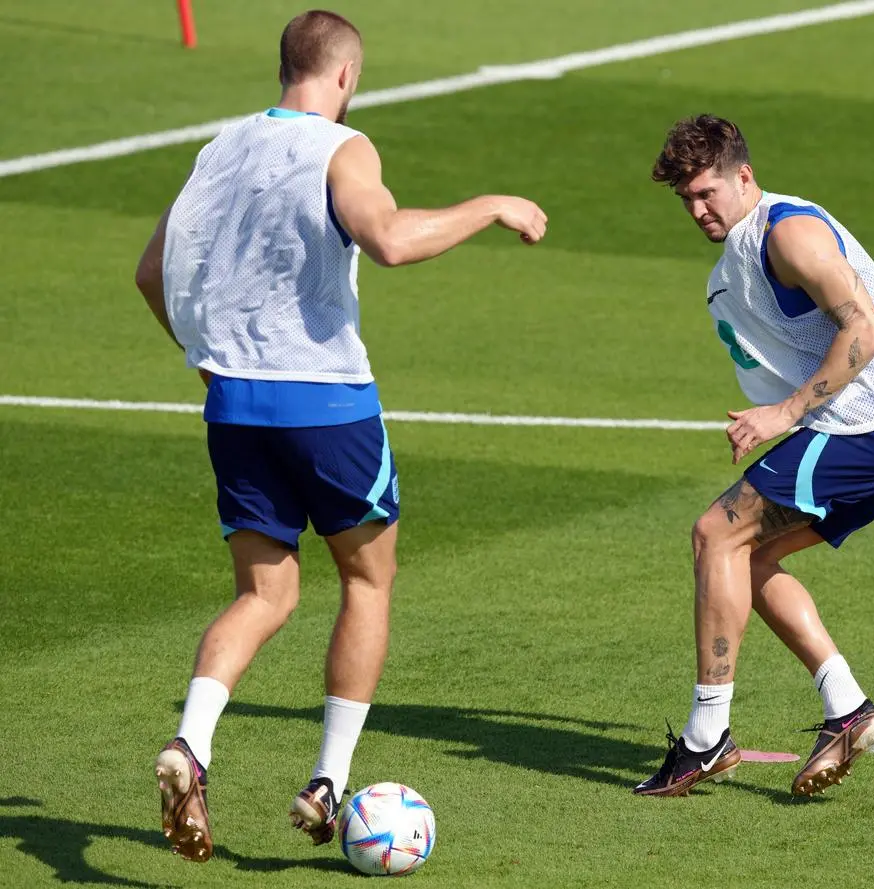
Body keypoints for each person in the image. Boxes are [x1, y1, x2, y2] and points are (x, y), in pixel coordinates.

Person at [132, 10, 547, 861]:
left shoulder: (221, 148)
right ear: (347, 76)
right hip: (326, 404)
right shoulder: (342, 149)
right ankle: (326, 781)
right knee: (368, 578)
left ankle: (192, 744)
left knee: (264, 595)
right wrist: (493, 204)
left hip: (234, 403)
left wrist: (210, 358)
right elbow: (389, 240)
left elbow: (150, 272)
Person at [634, 115, 874, 798]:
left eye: (708, 192)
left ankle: (706, 739)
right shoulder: (744, 251)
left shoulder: (789, 232)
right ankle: (848, 708)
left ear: (744, 175)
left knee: (716, 532)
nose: (697, 210)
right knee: (746, 556)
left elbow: (868, 327)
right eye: (685, 198)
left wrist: (787, 411)